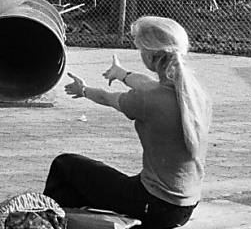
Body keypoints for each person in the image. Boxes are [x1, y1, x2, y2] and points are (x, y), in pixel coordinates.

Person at [43, 16, 212, 229]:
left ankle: (44, 224)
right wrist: (121, 74)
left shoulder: (147, 100)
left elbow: (107, 98)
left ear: (150, 55)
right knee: (80, 185)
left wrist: (83, 90)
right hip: (184, 206)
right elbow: (148, 84)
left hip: (155, 206)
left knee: (65, 165)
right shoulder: (195, 95)